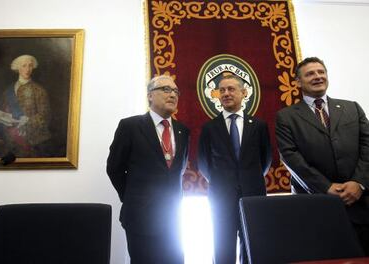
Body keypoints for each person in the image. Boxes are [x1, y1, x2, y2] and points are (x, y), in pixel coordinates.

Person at [275, 57, 369, 255]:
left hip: (361, 205)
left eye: (321, 72)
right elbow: (290, 156)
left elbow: (367, 146)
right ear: (298, 82)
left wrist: (358, 183)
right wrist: (325, 187)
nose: (318, 77)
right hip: (315, 205)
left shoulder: (352, 108)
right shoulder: (286, 116)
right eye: (310, 74)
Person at [106, 75, 190, 264]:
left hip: (174, 219)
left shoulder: (183, 131)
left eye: (176, 91)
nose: (173, 95)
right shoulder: (130, 126)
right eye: (166, 89)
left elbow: (180, 169)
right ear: (150, 96)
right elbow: (114, 168)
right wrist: (131, 196)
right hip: (140, 217)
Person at [198, 74, 272, 264]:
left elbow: (265, 160)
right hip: (221, 197)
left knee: (252, 245)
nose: (226, 93)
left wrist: (248, 179)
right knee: (222, 247)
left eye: (231, 89)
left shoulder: (259, 125)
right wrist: (222, 182)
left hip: (252, 196)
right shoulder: (208, 128)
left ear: (243, 92)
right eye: (222, 90)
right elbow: (203, 163)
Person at [0, 54, 51, 157]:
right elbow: (0, 116)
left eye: (30, 66)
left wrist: (28, 121)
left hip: (32, 141)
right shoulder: (8, 91)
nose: (28, 69)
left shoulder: (39, 90)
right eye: (24, 66)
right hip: (7, 139)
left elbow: (45, 116)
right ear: (17, 68)